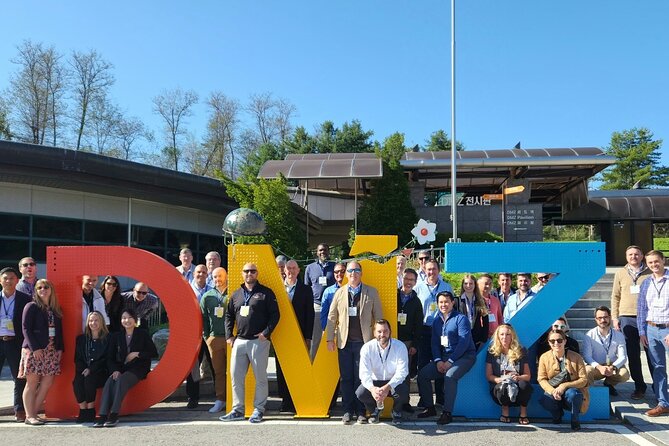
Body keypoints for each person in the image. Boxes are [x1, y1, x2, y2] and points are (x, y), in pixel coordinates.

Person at [220, 263, 280, 423]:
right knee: (236, 377)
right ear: (242, 273)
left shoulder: (266, 293)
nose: (249, 274)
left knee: (260, 378)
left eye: (252, 271)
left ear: (257, 273)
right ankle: (237, 410)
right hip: (239, 341)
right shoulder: (236, 294)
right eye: (246, 271)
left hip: (258, 342)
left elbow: (275, 315)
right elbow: (228, 316)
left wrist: (266, 333)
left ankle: (259, 410)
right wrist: (229, 335)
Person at [326, 261, 383, 424]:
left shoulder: (371, 292)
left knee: (361, 379)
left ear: (361, 273)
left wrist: (378, 340)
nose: (353, 273)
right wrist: (330, 338)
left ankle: (361, 411)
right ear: (346, 274)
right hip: (344, 343)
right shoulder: (339, 293)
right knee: (346, 378)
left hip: (364, 344)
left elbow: (378, 317)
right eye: (350, 270)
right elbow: (332, 318)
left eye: (356, 270)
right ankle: (347, 410)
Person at [417, 291, 476, 425]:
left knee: (450, 376)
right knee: (423, 374)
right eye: (441, 302)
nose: (443, 305)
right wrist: (438, 360)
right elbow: (435, 343)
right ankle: (430, 408)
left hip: (464, 356)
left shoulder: (461, 319)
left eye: (446, 302)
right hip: (444, 358)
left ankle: (447, 412)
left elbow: (464, 342)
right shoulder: (437, 321)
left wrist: (450, 361)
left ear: (452, 303)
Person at [93, 309, 158, 427]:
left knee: (121, 381)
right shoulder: (116, 336)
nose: (126, 320)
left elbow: (153, 353)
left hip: (138, 369)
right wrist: (115, 370)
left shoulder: (142, 333)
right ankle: (102, 415)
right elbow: (110, 357)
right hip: (121, 368)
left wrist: (137, 354)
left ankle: (113, 414)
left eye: (129, 318)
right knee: (110, 381)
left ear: (135, 320)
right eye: (123, 318)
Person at [19, 279, 64, 426]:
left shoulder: (55, 309)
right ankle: (30, 415)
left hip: (51, 350)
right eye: (39, 288)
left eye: (46, 287)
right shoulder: (31, 306)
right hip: (34, 350)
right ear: (36, 291)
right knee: (32, 383)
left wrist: (59, 349)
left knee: (47, 382)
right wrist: (35, 348)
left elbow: (59, 332)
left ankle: (33, 413)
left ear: (51, 290)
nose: (43, 290)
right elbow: (26, 329)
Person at [611, 245, 652, 400]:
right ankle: (639, 386)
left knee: (652, 354)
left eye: (636, 254)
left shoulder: (649, 272)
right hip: (627, 317)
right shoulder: (620, 273)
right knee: (633, 355)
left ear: (642, 256)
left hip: (648, 317)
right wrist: (615, 317)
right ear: (626, 257)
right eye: (630, 254)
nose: (633, 257)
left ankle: (658, 387)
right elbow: (615, 296)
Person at [413, 258, 453, 407]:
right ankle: (424, 399)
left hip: (442, 330)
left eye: (434, 269)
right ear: (424, 270)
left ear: (439, 270)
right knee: (422, 365)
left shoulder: (447, 287)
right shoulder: (418, 287)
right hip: (424, 330)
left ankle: (440, 399)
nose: (431, 272)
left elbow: (452, 309)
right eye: (428, 269)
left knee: (441, 362)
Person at [277, 260, 314, 413]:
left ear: (299, 271)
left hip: (300, 335)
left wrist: (308, 337)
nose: (291, 271)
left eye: (294, 268)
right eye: (288, 268)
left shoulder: (306, 290)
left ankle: (296, 399)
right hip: (282, 335)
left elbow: (310, 315)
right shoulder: (278, 288)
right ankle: (285, 400)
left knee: (298, 367)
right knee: (281, 369)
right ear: (284, 270)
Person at [355, 319, 409, 424]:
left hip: (393, 383)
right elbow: (364, 373)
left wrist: (388, 387)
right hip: (375, 382)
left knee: (404, 391)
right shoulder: (367, 348)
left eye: (385, 331)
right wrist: (372, 389)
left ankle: (397, 411)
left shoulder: (400, 346)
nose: (382, 334)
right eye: (379, 332)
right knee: (360, 393)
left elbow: (402, 372)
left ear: (390, 332)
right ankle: (374, 411)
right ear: (374, 333)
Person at [538, 328, 589, 431]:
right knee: (545, 400)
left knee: (574, 395)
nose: (556, 343)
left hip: (571, 390)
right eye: (552, 341)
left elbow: (584, 379)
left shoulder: (576, 357)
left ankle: (575, 419)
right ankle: (557, 415)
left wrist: (565, 385)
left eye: (559, 340)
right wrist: (552, 391)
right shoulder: (544, 357)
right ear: (549, 342)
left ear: (565, 341)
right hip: (554, 390)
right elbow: (541, 379)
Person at [638, 249, 669, 417]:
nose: (654, 265)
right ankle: (663, 403)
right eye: (650, 263)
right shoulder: (646, 283)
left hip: (668, 328)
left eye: (656, 261)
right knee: (658, 368)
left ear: (663, 260)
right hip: (651, 329)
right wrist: (642, 331)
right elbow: (642, 309)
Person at [0, 266, 32, 422]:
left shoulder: (25, 299)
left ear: (17, 280)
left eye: (11, 278)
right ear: (0, 281)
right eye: (5, 278)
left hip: (16, 342)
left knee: (19, 378)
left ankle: (19, 410)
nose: (8, 281)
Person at [486, 324, 533, 425]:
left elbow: (528, 376)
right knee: (503, 387)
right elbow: (489, 376)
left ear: (512, 336)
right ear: (497, 336)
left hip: (517, 384)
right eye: (502, 334)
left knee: (525, 385)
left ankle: (523, 413)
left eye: (508, 334)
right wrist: (499, 380)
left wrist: (518, 377)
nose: (504, 337)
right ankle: (505, 411)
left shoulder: (521, 351)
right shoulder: (492, 352)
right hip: (500, 387)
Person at [582, 306, 630, 396]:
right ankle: (589, 391)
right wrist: (599, 367)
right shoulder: (589, 335)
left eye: (605, 317)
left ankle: (609, 384)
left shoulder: (619, 335)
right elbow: (587, 356)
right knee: (586, 371)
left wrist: (613, 367)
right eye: (600, 318)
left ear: (610, 317)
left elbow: (623, 357)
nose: (603, 320)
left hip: (612, 367)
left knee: (624, 374)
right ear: (596, 320)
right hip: (597, 367)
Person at [73, 311, 110, 423]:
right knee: (77, 382)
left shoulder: (108, 338)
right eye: (91, 320)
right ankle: (83, 410)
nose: (93, 323)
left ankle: (91, 410)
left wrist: (91, 369)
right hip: (83, 370)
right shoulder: (81, 339)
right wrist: (83, 369)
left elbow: (106, 358)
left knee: (90, 380)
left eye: (96, 320)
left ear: (101, 322)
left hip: (100, 371)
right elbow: (78, 358)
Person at [201, 267, 228, 414]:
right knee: (218, 372)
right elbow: (203, 318)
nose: (218, 279)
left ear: (226, 277)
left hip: (230, 338)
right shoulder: (207, 296)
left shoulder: (232, 294)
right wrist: (207, 337)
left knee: (233, 371)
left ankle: (233, 399)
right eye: (215, 277)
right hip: (214, 338)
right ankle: (220, 399)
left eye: (221, 276)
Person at [185, 264, 212, 409]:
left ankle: (221, 397)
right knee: (193, 368)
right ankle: (193, 397)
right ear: (193, 274)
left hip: (209, 334)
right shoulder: (186, 289)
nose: (201, 274)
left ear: (207, 274)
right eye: (198, 272)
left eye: (204, 272)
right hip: (193, 335)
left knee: (215, 365)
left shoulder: (212, 291)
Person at [305, 243, 335, 359]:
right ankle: (313, 364)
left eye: (325, 250)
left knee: (332, 336)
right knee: (316, 338)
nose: (323, 252)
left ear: (328, 252)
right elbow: (307, 288)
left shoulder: (335, 266)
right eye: (320, 250)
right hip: (316, 306)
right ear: (317, 252)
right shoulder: (310, 268)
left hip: (332, 306)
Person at [397, 268, 423, 389]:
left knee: (404, 372)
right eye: (406, 278)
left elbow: (418, 325)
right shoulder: (393, 295)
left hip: (407, 342)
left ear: (415, 282)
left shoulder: (417, 302)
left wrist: (415, 345)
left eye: (411, 280)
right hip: (392, 339)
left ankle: (404, 401)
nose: (408, 282)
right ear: (402, 279)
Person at [457, 274, 489, 350]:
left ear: (475, 285)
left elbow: (486, 321)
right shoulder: (457, 301)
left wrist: (483, 339)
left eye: (471, 283)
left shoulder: (481, 301)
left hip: (477, 338)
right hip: (461, 337)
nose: (468, 286)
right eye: (466, 283)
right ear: (462, 285)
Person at [320, 262, 346, 331]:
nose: (339, 274)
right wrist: (325, 330)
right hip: (333, 329)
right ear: (334, 274)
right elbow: (324, 314)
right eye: (336, 272)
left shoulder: (352, 289)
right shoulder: (328, 291)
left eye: (342, 271)